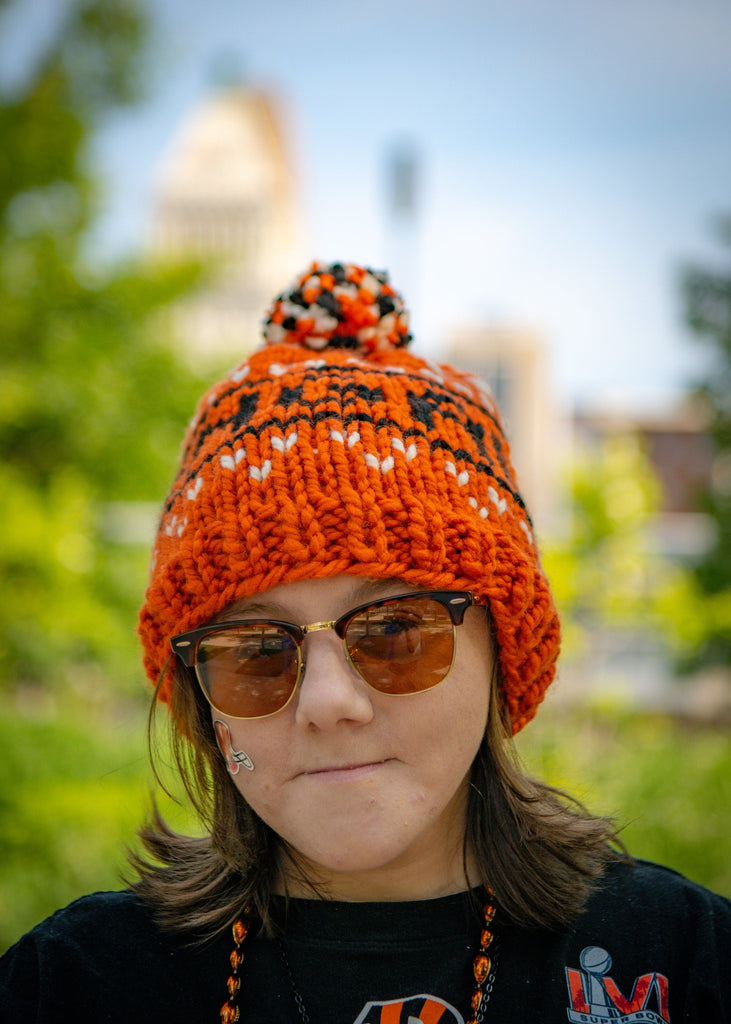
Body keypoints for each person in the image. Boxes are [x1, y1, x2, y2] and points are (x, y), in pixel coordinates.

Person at [1, 261, 729, 1024]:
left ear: (503, 651)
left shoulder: (679, 963)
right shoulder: (79, 986)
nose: (327, 703)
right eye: (254, 651)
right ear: (197, 698)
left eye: (393, 631)